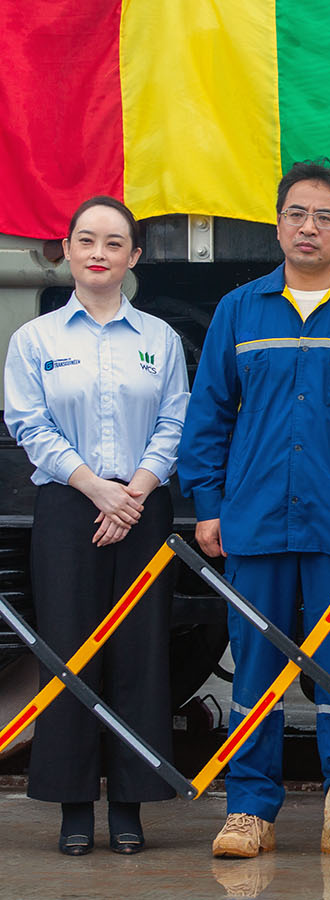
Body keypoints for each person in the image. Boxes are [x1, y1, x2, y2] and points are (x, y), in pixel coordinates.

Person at [179, 160, 330, 862]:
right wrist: (208, 504)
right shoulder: (238, 310)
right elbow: (209, 414)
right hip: (255, 522)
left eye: (323, 217)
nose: (308, 227)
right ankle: (250, 809)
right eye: (296, 214)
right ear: (278, 225)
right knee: (255, 667)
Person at [3, 196, 188, 855]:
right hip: (68, 506)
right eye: (86, 240)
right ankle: (74, 808)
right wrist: (96, 489)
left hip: (142, 505)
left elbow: (175, 421)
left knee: (141, 653)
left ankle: (131, 807)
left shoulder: (160, 340)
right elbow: (29, 426)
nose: (99, 253)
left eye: (114, 243)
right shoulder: (36, 340)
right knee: (69, 654)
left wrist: (133, 492)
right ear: (67, 252)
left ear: (133, 256)